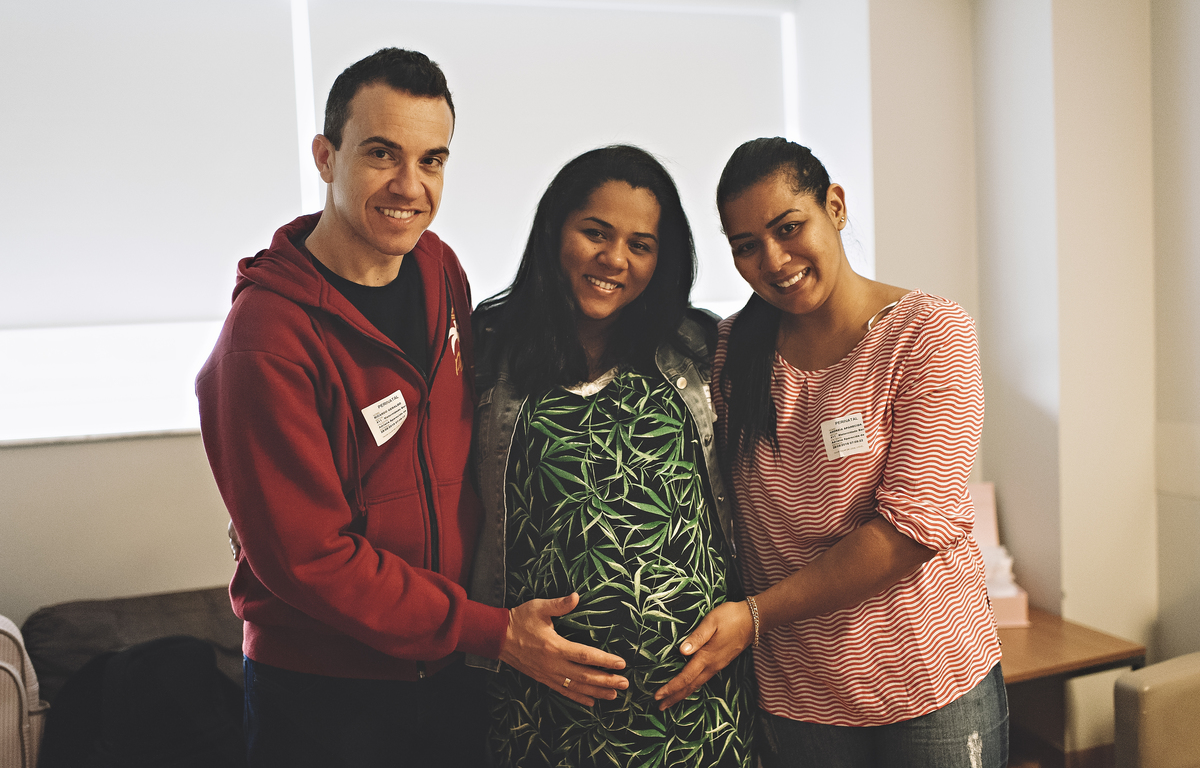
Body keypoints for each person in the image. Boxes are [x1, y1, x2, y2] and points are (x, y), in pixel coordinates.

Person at [197, 48, 627, 768]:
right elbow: (312, 558)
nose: (410, 186)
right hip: (328, 694)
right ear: (326, 157)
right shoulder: (266, 341)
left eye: (432, 160)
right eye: (381, 154)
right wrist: (490, 630)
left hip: (451, 669)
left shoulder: (438, 268)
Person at [654, 137, 1008, 767]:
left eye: (790, 228)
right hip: (800, 694)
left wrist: (755, 616)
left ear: (836, 207)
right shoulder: (729, 354)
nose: (774, 259)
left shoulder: (928, 334)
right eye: (745, 246)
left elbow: (911, 531)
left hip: (928, 680)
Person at [467, 145, 756, 767]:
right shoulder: (488, 352)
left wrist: (751, 616)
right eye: (595, 233)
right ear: (554, 231)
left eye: (640, 244)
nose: (614, 260)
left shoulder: (700, 349)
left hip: (696, 709)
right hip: (543, 706)